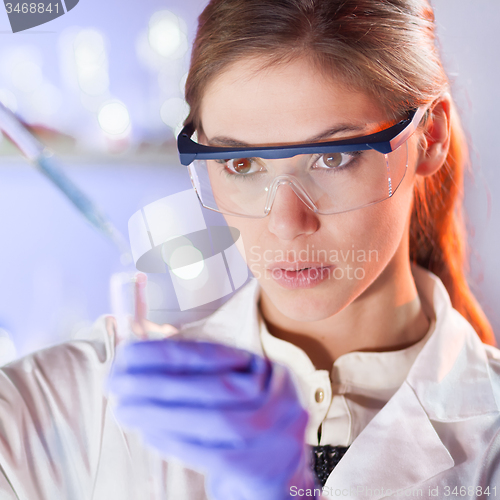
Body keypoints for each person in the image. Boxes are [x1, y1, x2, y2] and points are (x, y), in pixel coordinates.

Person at [0, 1, 499, 499]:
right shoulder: (78, 400)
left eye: (333, 156)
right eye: (240, 164)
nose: (285, 225)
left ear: (429, 136)